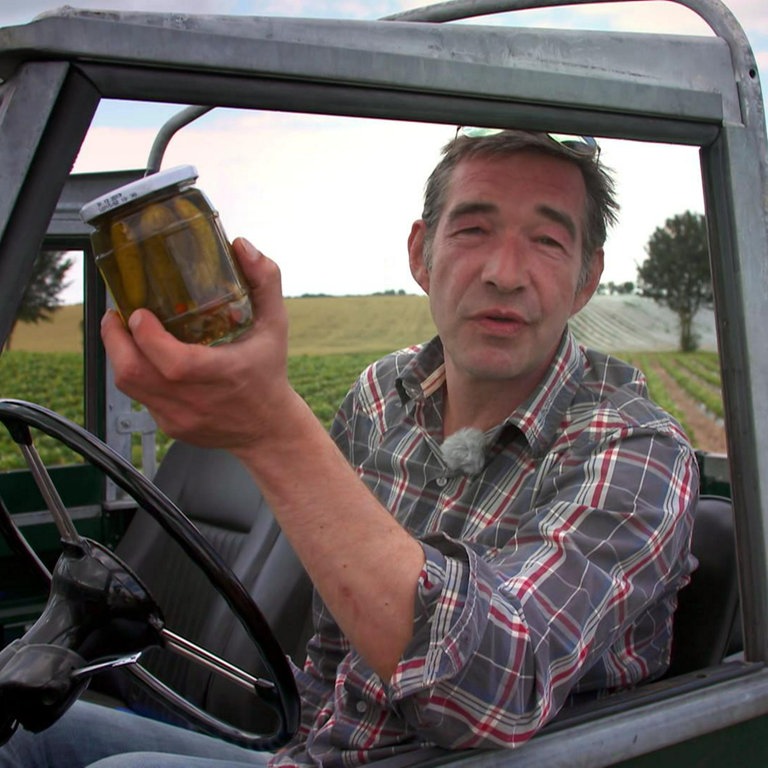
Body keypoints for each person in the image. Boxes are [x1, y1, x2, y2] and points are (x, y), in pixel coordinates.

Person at [0, 129, 698, 768]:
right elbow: (333, 653)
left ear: (586, 278)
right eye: (473, 229)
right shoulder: (379, 396)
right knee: (24, 732)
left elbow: (497, 690)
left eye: (547, 241)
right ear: (421, 253)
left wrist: (270, 428)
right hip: (314, 754)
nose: (505, 272)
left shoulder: (635, 452)